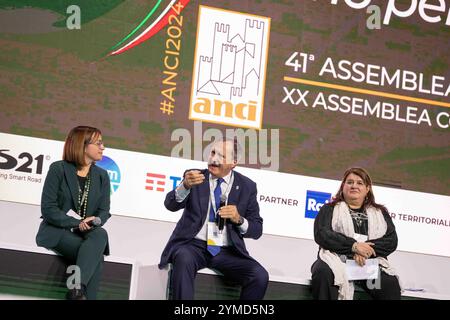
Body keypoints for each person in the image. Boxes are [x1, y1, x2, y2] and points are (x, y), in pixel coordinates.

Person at [159, 138, 269, 300]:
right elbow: (170, 205)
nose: (214, 159)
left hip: (227, 251)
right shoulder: (195, 177)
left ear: (233, 163)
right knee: (183, 258)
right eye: (212, 153)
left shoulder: (247, 186)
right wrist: (184, 186)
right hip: (193, 246)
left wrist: (239, 219)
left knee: (259, 275)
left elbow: (256, 230)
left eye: (222, 156)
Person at [36, 126, 111, 300]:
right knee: (96, 259)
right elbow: (48, 209)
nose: (103, 147)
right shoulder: (58, 169)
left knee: (100, 233)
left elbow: (104, 211)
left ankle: (76, 290)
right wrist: (75, 223)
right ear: (82, 145)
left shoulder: (102, 175)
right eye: (98, 143)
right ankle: (78, 291)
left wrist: (96, 220)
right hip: (57, 231)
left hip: (86, 233)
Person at [311, 167, 401, 300]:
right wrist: (353, 246)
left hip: (366, 267)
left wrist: (365, 250)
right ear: (343, 186)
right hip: (336, 262)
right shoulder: (329, 209)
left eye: (359, 183)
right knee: (322, 272)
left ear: (367, 188)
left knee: (389, 283)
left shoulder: (380, 213)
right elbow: (323, 234)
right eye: (350, 182)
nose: (354, 186)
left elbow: (391, 241)